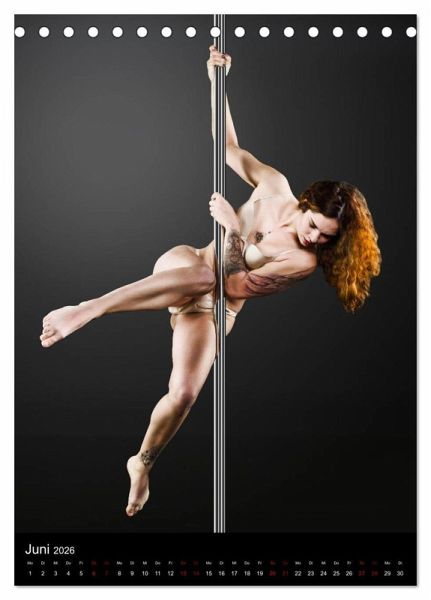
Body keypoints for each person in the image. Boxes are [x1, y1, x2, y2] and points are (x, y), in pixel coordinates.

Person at [39, 46, 381, 517]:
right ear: (305, 204)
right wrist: (216, 82)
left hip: (216, 308)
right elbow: (227, 148)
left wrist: (234, 230)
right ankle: (88, 309)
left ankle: (141, 462)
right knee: (202, 272)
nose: (315, 239)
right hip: (185, 266)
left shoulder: (301, 262)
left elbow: (234, 288)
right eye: (314, 227)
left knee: (184, 394)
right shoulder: (273, 186)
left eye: (326, 238)